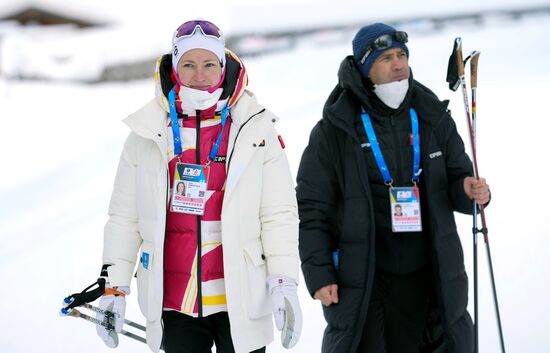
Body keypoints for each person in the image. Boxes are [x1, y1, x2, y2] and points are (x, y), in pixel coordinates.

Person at [95, 19, 302, 353]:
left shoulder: (255, 127)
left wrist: (283, 281)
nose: (199, 74)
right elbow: (124, 218)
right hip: (176, 300)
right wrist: (113, 286)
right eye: (188, 64)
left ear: (223, 66)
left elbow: (278, 214)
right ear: (175, 68)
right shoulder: (147, 132)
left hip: (242, 297)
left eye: (209, 64)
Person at [296, 23, 490, 353]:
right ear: (364, 66)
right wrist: (319, 274)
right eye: (386, 57)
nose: (399, 63)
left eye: (402, 55)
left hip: (430, 275)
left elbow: (459, 179)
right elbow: (313, 208)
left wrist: (471, 192)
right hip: (366, 281)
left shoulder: (433, 116)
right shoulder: (335, 128)